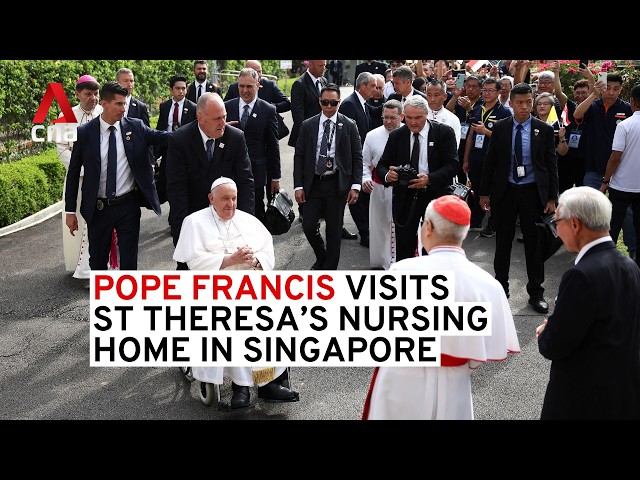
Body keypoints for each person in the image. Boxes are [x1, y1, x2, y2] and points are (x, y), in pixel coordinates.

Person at [362, 195, 520, 419]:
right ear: (465, 232)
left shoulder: (402, 272)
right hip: (454, 383)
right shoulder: (489, 285)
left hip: (400, 378)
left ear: (428, 227)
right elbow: (481, 354)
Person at [173, 177, 299, 408]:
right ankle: (241, 386)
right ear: (211, 199)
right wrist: (229, 260)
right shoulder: (194, 222)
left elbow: (267, 253)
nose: (231, 204)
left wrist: (256, 259)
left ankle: (268, 383)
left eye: (234, 198)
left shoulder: (249, 221)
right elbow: (191, 261)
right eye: (225, 199)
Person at [536, 186, 640, 419]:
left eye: (556, 222)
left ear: (575, 224)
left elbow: (555, 344)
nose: (556, 229)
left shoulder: (581, 275)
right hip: (621, 398)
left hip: (582, 401)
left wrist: (546, 330)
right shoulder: (630, 266)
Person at [64, 81, 169, 271]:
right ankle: (103, 300)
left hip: (127, 206)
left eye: (125, 103)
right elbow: (73, 174)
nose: (124, 108)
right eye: (119, 104)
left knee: (129, 263)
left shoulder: (135, 127)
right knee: (97, 262)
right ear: (103, 104)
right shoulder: (85, 133)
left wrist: (202, 127)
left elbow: (165, 137)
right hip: (98, 209)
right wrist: (70, 211)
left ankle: (126, 301)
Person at [478, 83, 559, 314]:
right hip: (506, 191)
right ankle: (500, 288)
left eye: (529, 102)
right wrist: (485, 192)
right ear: (511, 103)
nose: (525, 107)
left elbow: (551, 164)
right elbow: (490, 161)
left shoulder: (542, 130)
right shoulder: (501, 128)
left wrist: (552, 196)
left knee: (535, 244)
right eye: (520, 103)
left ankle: (536, 291)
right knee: (503, 240)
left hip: (532, 192)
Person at [166, 92, 254, 270]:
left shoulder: (235, 138)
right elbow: (177, 190)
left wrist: (245, 224)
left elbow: (245, 184)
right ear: (200, 117)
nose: (223, 123)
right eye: (217, 119)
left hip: (227, 221)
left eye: (224, 117)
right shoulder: (180, 140)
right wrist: (182, 232)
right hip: (194, 219)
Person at [376, 95, 459, 262]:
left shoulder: (443, 132)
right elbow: (382, 165)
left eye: (418, 118)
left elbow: (453, 165)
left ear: (426, 114)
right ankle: (405, 282)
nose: (413, 122)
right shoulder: (397, 136)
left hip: (434, 195)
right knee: (404, 246)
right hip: (404, 197)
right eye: (409, 118)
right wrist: (388, 175)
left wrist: (429, 179)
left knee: (433, 246)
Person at [293, 83, 363, 270]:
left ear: (339, 102)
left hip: (336, 185)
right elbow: (299, 155)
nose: (329, 107)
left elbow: (357, 157)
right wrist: (298, 185)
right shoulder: (308, 125)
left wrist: (356, 185)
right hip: (313, 183)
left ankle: (329, 270)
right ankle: (322, 256)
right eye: (325, 102)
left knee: (334, 231)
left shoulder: (349, 125)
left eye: (333, 103)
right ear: (319, 102)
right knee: (308, 226)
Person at [573, 71, 635, 260]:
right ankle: (588, 248)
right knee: (589, 210)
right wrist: (594, 94)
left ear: (621, 90)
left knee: (626, 214)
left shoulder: (627, 109)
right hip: (593, 169)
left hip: (619, 172)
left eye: (616, 89)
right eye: (608, 88)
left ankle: (633, 249)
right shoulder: (593, 106)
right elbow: (576, 114)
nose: (611, 92)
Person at [56, 74, 103, 280]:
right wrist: (83, 169)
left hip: (101, 179)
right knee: (77, 221)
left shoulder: (104, 111)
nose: (93, 98)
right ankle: (79, 266)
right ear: (77, 94)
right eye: (88, 94)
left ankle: (100, 265)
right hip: (78, 179)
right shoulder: (66, 115)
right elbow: (61, 150)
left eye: (96, 94)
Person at [224, 67, 281, 223]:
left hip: (256, 172)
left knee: (255, 210)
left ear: (258, 85)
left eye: (249, 86)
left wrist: (275, 177)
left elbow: (273, 145)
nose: (245, 90)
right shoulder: (227, 107)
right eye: (241, 86)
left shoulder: (268, 110)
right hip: (230, 170)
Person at [462, 77, 512, 236]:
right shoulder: (477, 109)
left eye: (490, 90)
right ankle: (475, 220)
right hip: (476, 157)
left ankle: (493, 224)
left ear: (498, 92)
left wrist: (487, 132)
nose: (486, 93)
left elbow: (505, 139)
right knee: (476, 189)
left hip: (493, 159)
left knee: (494, 192)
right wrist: (465, 159)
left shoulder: (504, 112)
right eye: (484, 90)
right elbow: (470, 135)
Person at [338, 71, 381, 247]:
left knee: (358, 198)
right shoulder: (349, 105)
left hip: (361, 158)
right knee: (355, 198)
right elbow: (345, 137)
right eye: (372, 86)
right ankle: (365, 234)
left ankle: (347, 229)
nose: (375, 90)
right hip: (351, 160)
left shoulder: (363, 103)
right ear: (362, 86)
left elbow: (376, 112)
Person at [600, 84, 640, 266]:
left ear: (632, 102)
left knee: (613, 226)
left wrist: (605, 180)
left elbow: (615, 157)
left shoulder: (625, 125)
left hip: (620, 186)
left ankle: (608, 263)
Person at [362, 99, 404, 269]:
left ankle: (401, 264)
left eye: (392, 118)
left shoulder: (409, 134)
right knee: (379, 228)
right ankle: (381, 263)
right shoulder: (372, 136)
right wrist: (365, 179)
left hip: (403, 190)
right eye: (385, 117)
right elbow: (364, 163)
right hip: (379, 188)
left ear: (401, 116)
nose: (387, 121)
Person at [154, 75, 197, 204]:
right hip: (168, 148)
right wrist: (155, 155)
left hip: (186, 151)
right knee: (168, 182)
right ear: (171, 90)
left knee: (184, 182)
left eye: (183, 88)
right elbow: (160, 128)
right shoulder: (165, 106)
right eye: (178, 88)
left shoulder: (193, 107)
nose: (181, 91)